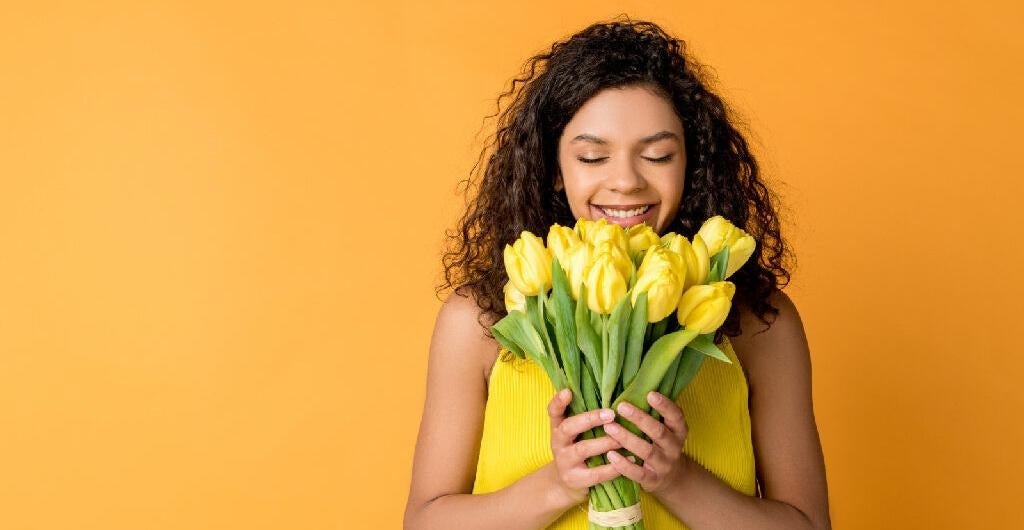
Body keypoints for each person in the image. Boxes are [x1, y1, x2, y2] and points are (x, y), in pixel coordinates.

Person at [404, 17, 831, 530]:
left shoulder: (760, 323)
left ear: (691, 163)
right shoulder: (478, 320)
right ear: (554, 171)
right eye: (592, 156)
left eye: (657, 155)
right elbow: (424, 523)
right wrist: (559, 483)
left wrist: (675, 479)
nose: (625, 181)